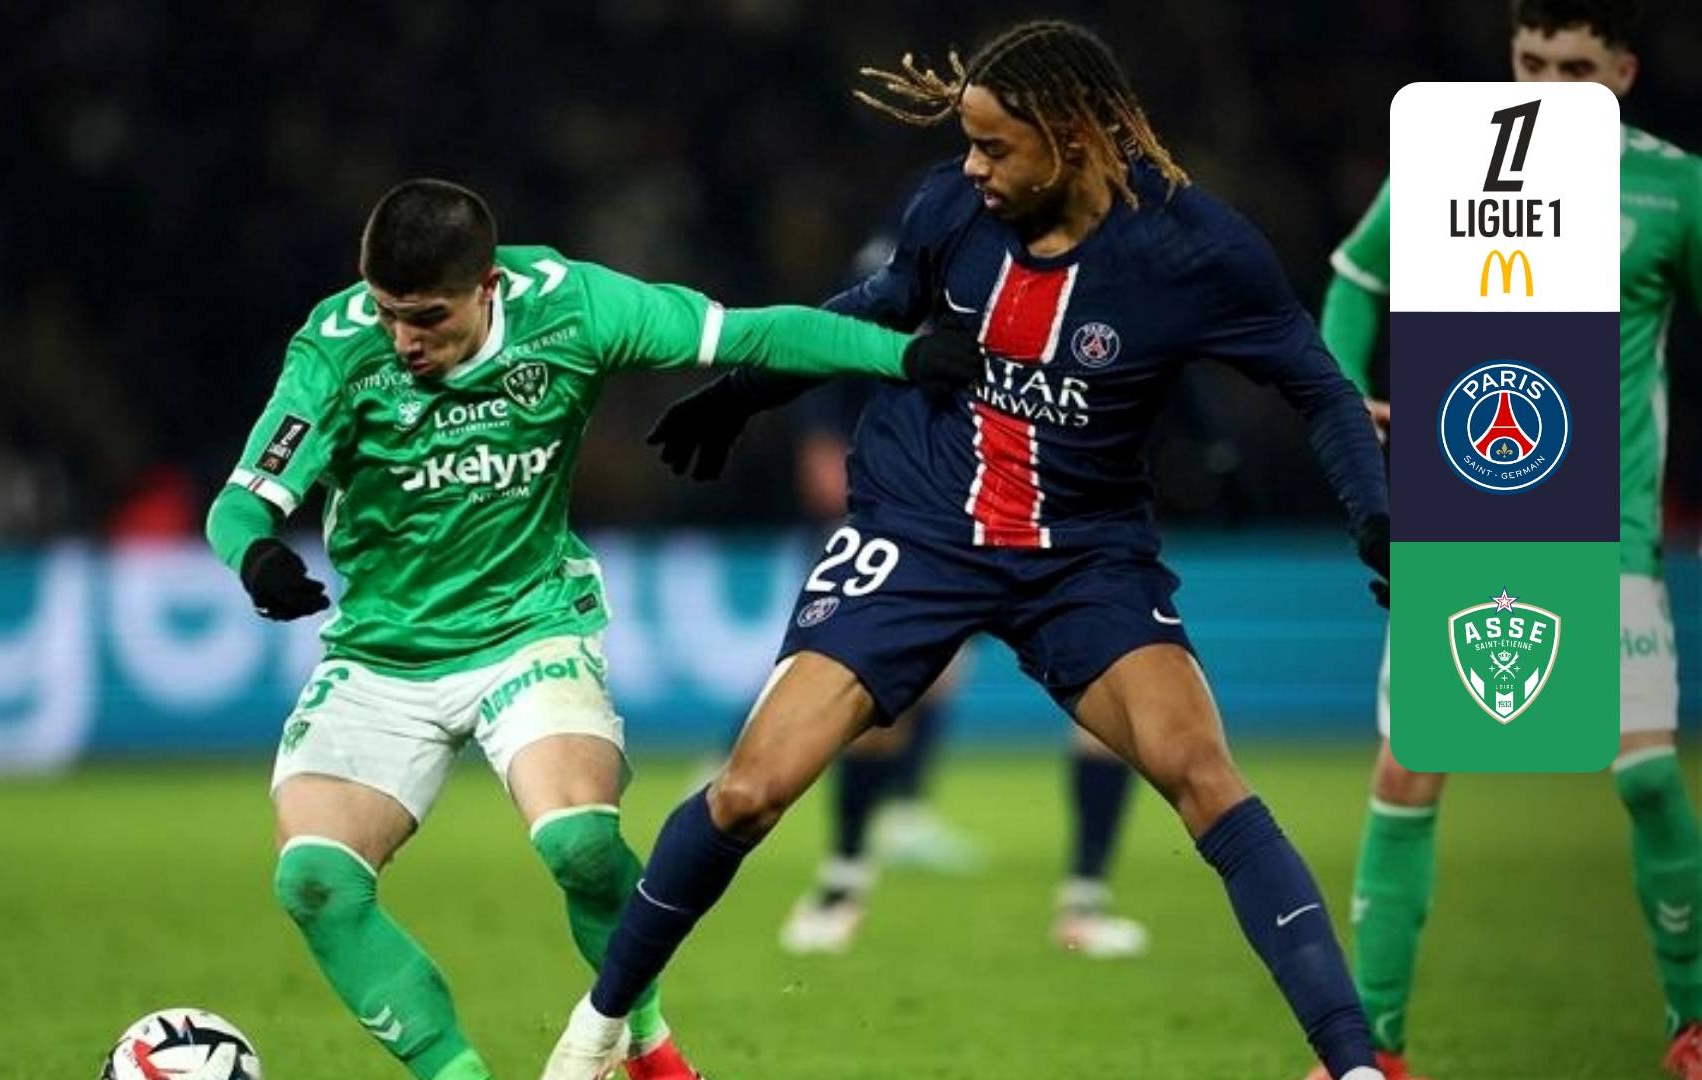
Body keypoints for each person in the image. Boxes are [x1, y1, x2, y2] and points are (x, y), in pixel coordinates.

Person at [541, 19, 1390, 1080]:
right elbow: (871, 307)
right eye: (970, 144)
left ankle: (1355, 1065)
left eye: (994, 147)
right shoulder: (949, 209)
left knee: (1204, 776)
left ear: (1072, 136)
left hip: (1083, 555)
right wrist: (747, 392)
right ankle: (598, 1033)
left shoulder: (1196, 251)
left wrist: (1372, 515)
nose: (973, 168)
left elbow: (1317, 384)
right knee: (750, 790)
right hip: (917, 531)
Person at [205, 177, 982, 1080]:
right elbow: (239, 505)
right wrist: (257, 558)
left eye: (426, 317)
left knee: (578, 844)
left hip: (530, 629)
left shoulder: (570, 307)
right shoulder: (338, 348)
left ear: (487, 286)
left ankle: (645, 1044)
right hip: (382, 654)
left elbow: (755, 332)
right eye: (387, 313)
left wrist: (902, 356)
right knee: (314, 882)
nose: (403, 339)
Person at [1309, 3, 1702, 1077]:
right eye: (1531, 62)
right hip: (1472, 510)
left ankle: (1692, 1023)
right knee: (1408, 771)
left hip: (1609, 522)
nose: (1548, 87)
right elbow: (1357, 280)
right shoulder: (1453, 162)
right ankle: (1373, 1051)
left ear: (1624, 72)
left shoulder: (1674, 190)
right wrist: (1343, 394)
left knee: (1646, 778)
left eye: (1576, 68)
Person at [776, 346, 1145, 960]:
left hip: (1062, 526)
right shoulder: (923, 294)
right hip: (937, 520)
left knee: (1115, 699)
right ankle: (841, 883)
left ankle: (1085, 901)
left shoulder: (1093, 309)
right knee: (888, 697)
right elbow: (836, 353)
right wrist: (825, 441)